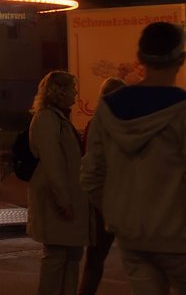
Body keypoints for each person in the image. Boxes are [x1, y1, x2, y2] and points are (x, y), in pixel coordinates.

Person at [81, 22, 186, 294]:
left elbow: (92, 173)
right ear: (181, 60)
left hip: (131, 236)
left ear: (139, 59)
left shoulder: (107, 109)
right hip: (178, 235)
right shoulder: (181, 110)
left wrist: (116, 212)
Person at [28, 70, 89, 295]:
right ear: (60, 92)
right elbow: (53, 162)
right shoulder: (47, 118)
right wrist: (63, 200)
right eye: (72, 88)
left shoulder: (58, 117)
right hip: (57, 199)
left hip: (69, 195)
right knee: (56, 257)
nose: (75, 93)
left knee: (71, 256)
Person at [76, 76, 126, 295]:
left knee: (95, 258)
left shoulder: (96, 122)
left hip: (103, 200)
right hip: (117, 199)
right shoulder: (124, 125)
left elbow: (89, 166)